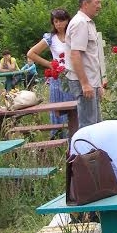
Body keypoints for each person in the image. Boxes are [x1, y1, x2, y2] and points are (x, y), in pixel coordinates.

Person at [27, 8, 75, 138]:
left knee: (74, 107)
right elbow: (31, 53)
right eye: (56, 21)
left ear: (67, 21)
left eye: (62, 21)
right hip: (58, 77)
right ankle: (60, 137)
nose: (59, 24)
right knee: (59, 108)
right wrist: (49, 64)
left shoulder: (73, 34)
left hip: (74, 75)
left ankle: (75, 136)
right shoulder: (50, 38)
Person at [65, 0, 105, 129]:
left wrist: (97, 84)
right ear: (85, 4)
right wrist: (85, 84)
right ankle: (85, 151)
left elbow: (90, 57)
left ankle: (96, 151)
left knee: (96, 124)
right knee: (89, 126)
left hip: (90, 81)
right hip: (84, 81)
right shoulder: (80, 23)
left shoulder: (87, 22)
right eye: (97, 2)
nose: (100, 6)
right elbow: (75, 55)